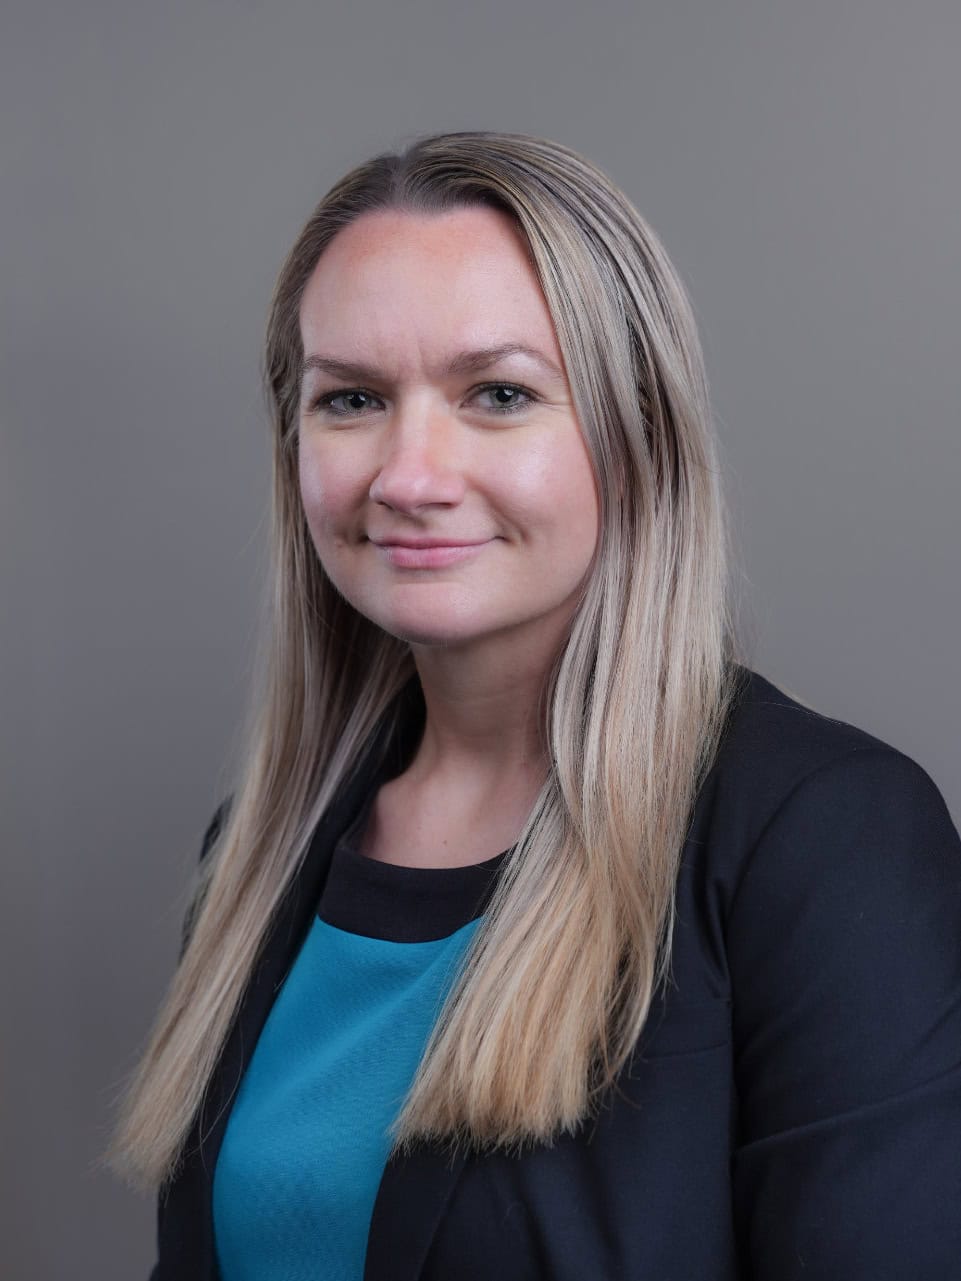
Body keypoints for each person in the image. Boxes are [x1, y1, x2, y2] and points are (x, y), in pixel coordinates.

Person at [109, 130, 961, 1280]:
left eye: (499, 394)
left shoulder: (820, 843)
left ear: (638, 434)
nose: (408, 477)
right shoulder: (254, 859)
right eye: (352, 399)